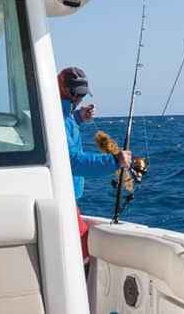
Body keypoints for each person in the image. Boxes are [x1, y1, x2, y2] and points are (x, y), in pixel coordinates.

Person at [58, 66, 131, 269]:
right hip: (62, 199)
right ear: (67, 91)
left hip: (66, 199)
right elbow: (73, 162)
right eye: (78, 95)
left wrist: (79, 117)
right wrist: (115, 160)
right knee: (84, 253)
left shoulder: (62, 115)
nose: (81, 99)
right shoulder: (59, 118)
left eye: (83, 95)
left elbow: (64, 125)